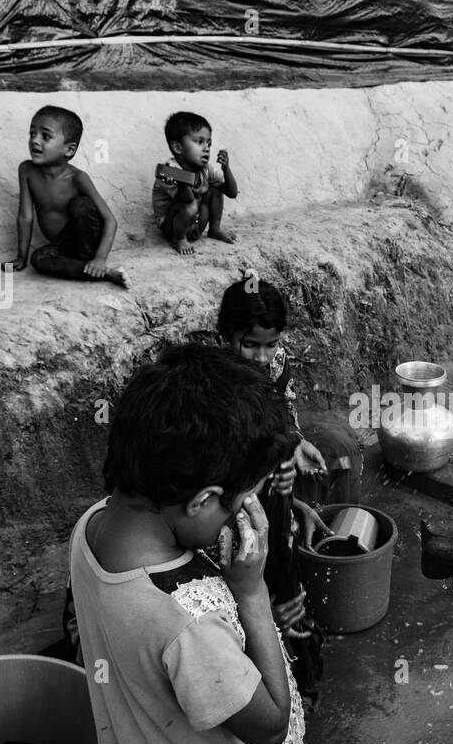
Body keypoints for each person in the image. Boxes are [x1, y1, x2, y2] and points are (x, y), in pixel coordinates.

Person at [68, 344, 308, 744]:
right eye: (241, 501)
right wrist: (253, 592)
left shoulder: (92, 528)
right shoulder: (188, 619)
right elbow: (267, 727)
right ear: (201, 500)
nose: (246, 512)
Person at [210, 276, 365, 710]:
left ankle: (297, 678)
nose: (262, 358)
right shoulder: (217, 388)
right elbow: (224, 475)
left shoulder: (275, 368)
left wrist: (293, 487)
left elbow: (282, 418)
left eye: (271, 345)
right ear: (226, 336)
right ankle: (264, 689)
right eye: (250, 345)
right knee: (256, 584)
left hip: (271, 493)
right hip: (237, 502)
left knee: (285, 579)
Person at [11, 106, 127, 287]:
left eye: (45, 136)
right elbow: (25, 217)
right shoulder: (26, 170)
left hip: (87, 242)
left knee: (81, 205)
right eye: (32, 133)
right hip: (63, 246)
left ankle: (97, 267)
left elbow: (110, 220)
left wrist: (100, 258)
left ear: (70, 149)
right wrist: (21, 257)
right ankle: (105, 275)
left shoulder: (78, 178)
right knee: (38, 259)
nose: (35, 140)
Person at [153, 111, 239, 254]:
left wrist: (226, 169)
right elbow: (187, 200)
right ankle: (179, 239)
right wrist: (182, 183)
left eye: (209, 144)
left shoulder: (205, 169)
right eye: (199, 142)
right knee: (189, 205)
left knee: (215, 190)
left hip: (196, 221)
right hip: (173, 226)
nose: (206, 148)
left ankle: (214, 229)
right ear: (178, 147)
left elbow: (232, 192)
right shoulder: (170, 170)